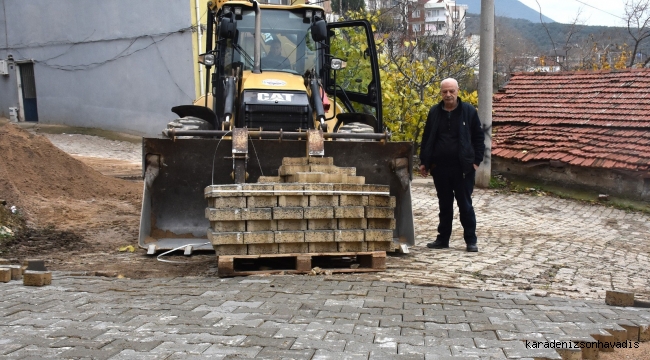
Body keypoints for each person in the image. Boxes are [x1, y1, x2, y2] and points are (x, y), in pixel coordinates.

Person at [419, 78, 485, 252]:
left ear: (458, 91)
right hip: (440, 168)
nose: (448, 95)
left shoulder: (468, 111)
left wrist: (476, 162)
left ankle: (471, 240)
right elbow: (427, 138)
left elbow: (479, 138)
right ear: (441, 93)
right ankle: (443, 239)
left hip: (463, 169)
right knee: (444, 205)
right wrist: (424, 162)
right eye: (444, 92)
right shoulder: (434, 112)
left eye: (451, 91)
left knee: (465, 205)